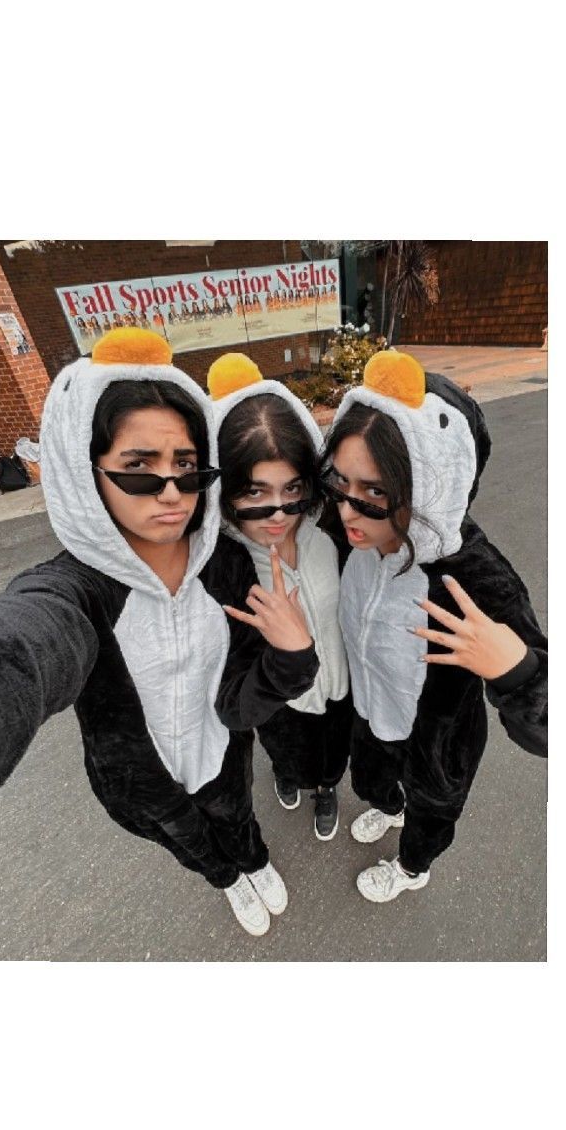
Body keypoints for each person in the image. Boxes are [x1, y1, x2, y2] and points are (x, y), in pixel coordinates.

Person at [0, 328, 319, 938]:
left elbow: (242, 702)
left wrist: (293, 660)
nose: (170, 493)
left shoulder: (228, 566)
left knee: (236, 817)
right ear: (89, 472)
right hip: (139, 782)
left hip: (221, 754)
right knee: (191, 845)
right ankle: (228, 878)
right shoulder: (77, 589)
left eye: (186, 467)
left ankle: (254, 861)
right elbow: (20, 644)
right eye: (139, 468)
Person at [321, 349, 547, 902]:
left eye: (376, 493)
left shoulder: (474, 573)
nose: (350, 511)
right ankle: (388, 807)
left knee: (430, 810)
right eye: (341, 483)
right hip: (370, 710)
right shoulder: (345, 530)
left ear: (428, 484)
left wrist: (516, 671)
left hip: (437, 740)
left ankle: (412, 866)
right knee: (375, 781)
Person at [209, 352, 351, 841]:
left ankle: (327, 789)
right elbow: (229, 700)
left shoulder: (331, 534)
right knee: (287, 754)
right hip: (278, 704)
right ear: (225, 492)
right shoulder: (224, 568)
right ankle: (289, 777)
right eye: (254, 493)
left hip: (339, 689)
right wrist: (285, 658)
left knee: (332, 758)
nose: (277, 512)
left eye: (292, 488)